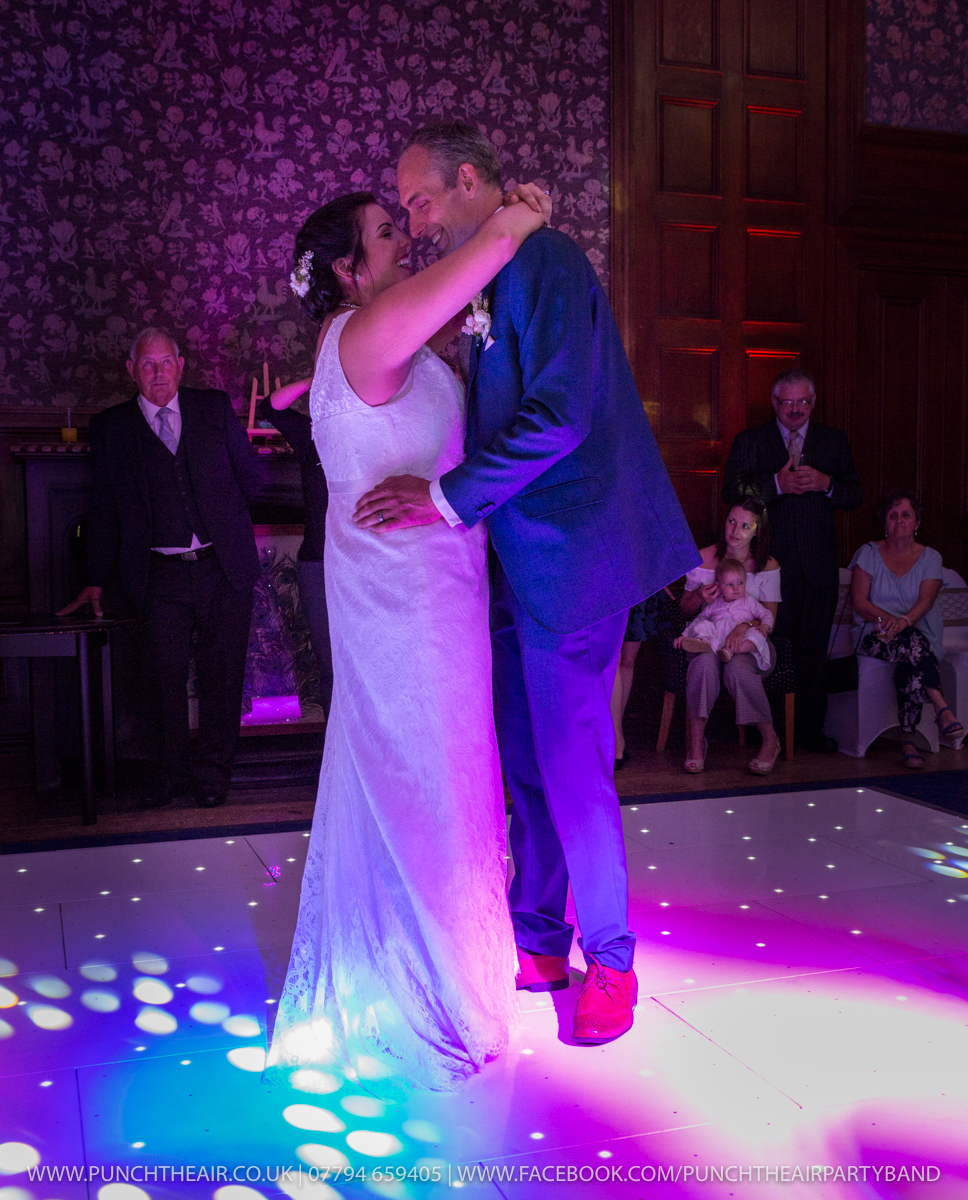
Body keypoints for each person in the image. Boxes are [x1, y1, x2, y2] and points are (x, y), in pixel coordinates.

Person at [353, 120, 699, 1043]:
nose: (415, 220)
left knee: (575, 769)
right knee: (526, 766)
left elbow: (558, 417)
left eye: (421, 198)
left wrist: (444, 499)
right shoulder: (493, 272)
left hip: (575, 555)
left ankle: (614, 964)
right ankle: (540, 937)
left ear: (470, 180)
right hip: (512, 563)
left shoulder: (545, 264)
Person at [267, 184, 553, 1093]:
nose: (407, 241)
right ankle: (433, 993)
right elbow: (480, 261)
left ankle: (434, 965)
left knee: (449, 778)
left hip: (440, 595)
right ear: (349, 271)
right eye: (389, 234)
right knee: (426, 783)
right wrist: (513, 218)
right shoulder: (362, 334)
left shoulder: (382, 336)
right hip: (402, 612)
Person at [57, 328, 262, 809]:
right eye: (147, 365)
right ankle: (171, 773)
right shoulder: (111, 428)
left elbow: (251, 477)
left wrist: (225, 521)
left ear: (180, 364)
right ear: (132, 370)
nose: (157, 373)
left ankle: (213, 775)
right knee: (162, 679)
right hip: (158, 575)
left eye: (165, 362)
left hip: (222, 566)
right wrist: (94, 578)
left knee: (223, 675)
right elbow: (105, 508)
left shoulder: (212, 408)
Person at [723, 368, 862, 752]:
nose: (796, 409)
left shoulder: (833, 441)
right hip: (768, 568)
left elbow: (854, 493)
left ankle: (807, 735)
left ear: (813, 403)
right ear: (775, 403)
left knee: (812, 654)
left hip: (817, 568)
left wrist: (827, 484)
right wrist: (777, 485)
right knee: (762, 649)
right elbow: (731, 490)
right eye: (789, 402)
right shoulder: (752, 441)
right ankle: (762, 733)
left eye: (804, 402)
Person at [849, 490, 963, 768]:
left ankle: (908, 737)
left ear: (917, 523)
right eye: (892, 515)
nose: (899, 520)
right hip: (874, 635)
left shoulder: (930, 557)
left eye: (906, 515)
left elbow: (927, 600)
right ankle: (941, 708)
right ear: (885, 523)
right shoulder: (869, 553)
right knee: (912, 645)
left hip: (918, 635)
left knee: (909, 659)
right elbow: (860, 602)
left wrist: (903, 623)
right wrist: (891, 622)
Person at [678, 498, 782, 775]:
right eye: (731, 521)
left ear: (756, 531)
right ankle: (696, 743)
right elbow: (686, 609)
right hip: (708, 638)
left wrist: (743, 626)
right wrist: (699, 595)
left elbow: (770, 619)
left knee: (736, 670)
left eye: (745, 526)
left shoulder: (767, 565)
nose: (735, 530)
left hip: (748, 644)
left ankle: (770, 740)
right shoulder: (703, 558)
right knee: (702, 665)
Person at [256, 392, 332, 720]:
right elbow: (270, 407)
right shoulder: (314, 432)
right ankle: (334, 759)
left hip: (365, 564)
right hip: (318, 561)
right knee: (330, 667)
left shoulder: (378, 429)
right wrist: (320, 375)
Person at [611, 590, 676, 771]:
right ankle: (616, 738)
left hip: (637, 582)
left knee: (628, 661)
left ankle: (617, 732)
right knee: (612, 660)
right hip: (608, 581)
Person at [676, 558, 774, 669]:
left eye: (740, 583)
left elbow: (766, 614)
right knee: (703, 624)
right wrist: (684, 635)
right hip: (716, 641)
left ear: (745, 582)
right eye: (729, 585)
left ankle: (730, 651)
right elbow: (699, 619)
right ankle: (703, 643)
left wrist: (764, 626)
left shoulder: (749, 601)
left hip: (740, 640)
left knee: (757, 634)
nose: (736, 588)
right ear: (719, 586)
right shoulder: (715, 603)